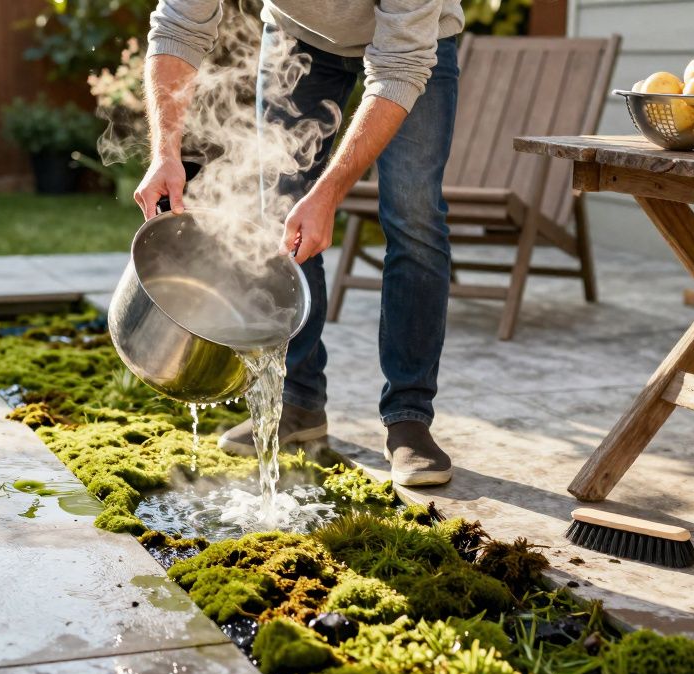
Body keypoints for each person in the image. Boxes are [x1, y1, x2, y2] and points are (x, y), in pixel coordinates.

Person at [136, 0, 463, 486]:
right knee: (281, 218)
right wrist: (165, 153)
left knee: (414, 218)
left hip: (412, 49)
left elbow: (399, 67)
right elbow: (178, 27)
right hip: (297, 39)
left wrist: (328, 194)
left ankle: (409, 418)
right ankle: (298, 400)